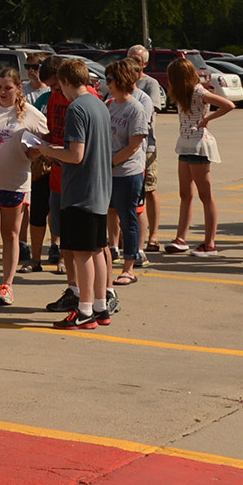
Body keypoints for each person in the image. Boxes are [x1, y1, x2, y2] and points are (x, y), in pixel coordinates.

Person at [32, 58, 113, 330]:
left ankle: (85, 310)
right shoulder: (99, 104)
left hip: (80, 191)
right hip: (100, 189)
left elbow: (75, 154)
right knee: (97, 250)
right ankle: (101, 306)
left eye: (59, 87)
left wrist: (46, 150)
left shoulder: (76, 108)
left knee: (82, 253)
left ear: (66, 81)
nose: (59, 93)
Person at [0, 67, 46, 303]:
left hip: (14, 184)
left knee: (10, 234)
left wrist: (34, 153)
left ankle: (7, 285)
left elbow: (46, 139)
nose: (2, 92)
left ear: (18, 88)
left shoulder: (29, 113)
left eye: (8, 88)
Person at [163, 58, 234, 257]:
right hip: (185, 143)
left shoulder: (198, 91)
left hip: (199, 144)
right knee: (185, 194)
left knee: (206, 195)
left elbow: (228, 105)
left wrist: (206, 119)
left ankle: (210, 243)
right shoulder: (181, 92)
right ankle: (180, 238)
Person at [103, 59, 151, 287]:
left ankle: (129, 267)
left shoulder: (136, 109)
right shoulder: (110, 104)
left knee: (127, 218)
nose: (107, 84)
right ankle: (109, 261)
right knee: (107, 216)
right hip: (109, 172)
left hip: (127, 173)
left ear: (121, 80)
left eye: (110, 79)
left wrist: (110, 162)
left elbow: (134, 145)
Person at [125, 46, 167, 252]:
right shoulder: (120, 83)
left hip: (146, 146)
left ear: (144, 64)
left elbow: (149, 112)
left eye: (135, 60)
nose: (131, 63)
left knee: (149, 189)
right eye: (129, 58)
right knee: (126, 193)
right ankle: (127, 235)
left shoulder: (150, 84)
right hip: (123, 146)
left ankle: (153, 236)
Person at [22, 55, 59, 277]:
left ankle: (60, 254)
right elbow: (32, 125)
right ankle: (35, 259)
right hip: (41, 162)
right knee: (38, 211)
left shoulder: (66, 98)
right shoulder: (44, 100)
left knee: (59, 212)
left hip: (61, 161)